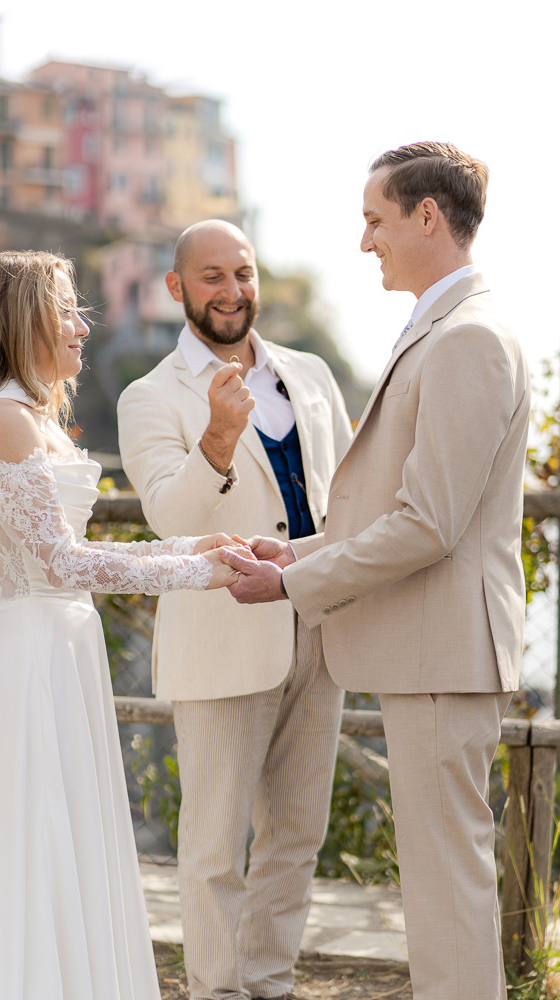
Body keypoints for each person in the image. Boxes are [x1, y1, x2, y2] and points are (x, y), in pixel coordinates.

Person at [222, 143, 530, 1000]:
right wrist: (295, 553)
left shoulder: (467, 337)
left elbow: (427, 524)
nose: (364, 242)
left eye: (374, 220)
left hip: (442, 653)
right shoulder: (450, 328)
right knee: (439, 882)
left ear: (427, 216)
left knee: (446, 887)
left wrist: (291, 585)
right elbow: (396, 511)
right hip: (432, 652)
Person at [0, 250, 242, 1000]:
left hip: (61, 651)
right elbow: (60, 562)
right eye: (65, 311)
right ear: (19, 321)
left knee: (64, 839)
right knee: (31, 841)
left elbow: (70, 555)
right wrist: (198, 574)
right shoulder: (1, 421)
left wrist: (196, 547)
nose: (83, 326)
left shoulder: (32, 421)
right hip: (30, 662)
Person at [117, 220, 352, 1000]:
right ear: (176, 288)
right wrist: (218, 436)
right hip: (221, 639)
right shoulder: (150, 396)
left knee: (296, 836)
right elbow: (168, 518)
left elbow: (346, 499)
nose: (231, 291)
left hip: (318, 627)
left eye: (242, 273)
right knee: (215, 846)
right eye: (211, 276)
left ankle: (270, 984)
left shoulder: (309, 374)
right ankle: (216, 991)